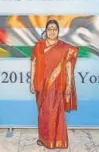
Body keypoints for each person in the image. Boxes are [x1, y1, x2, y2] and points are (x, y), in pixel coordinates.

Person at [30, 19, 79, 149]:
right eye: (49, 28)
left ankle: (57, 140)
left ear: (58, 31)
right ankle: (43, 138)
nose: (52, 31)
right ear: (46, 31)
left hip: (57, 86)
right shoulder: (39, 46)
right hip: (41, 85)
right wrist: (31, 82)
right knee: (43, 113)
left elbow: (68, 66)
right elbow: (34, 64)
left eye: (54, 29)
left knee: (55, 114)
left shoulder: (65, 48)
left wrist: (68, 85)